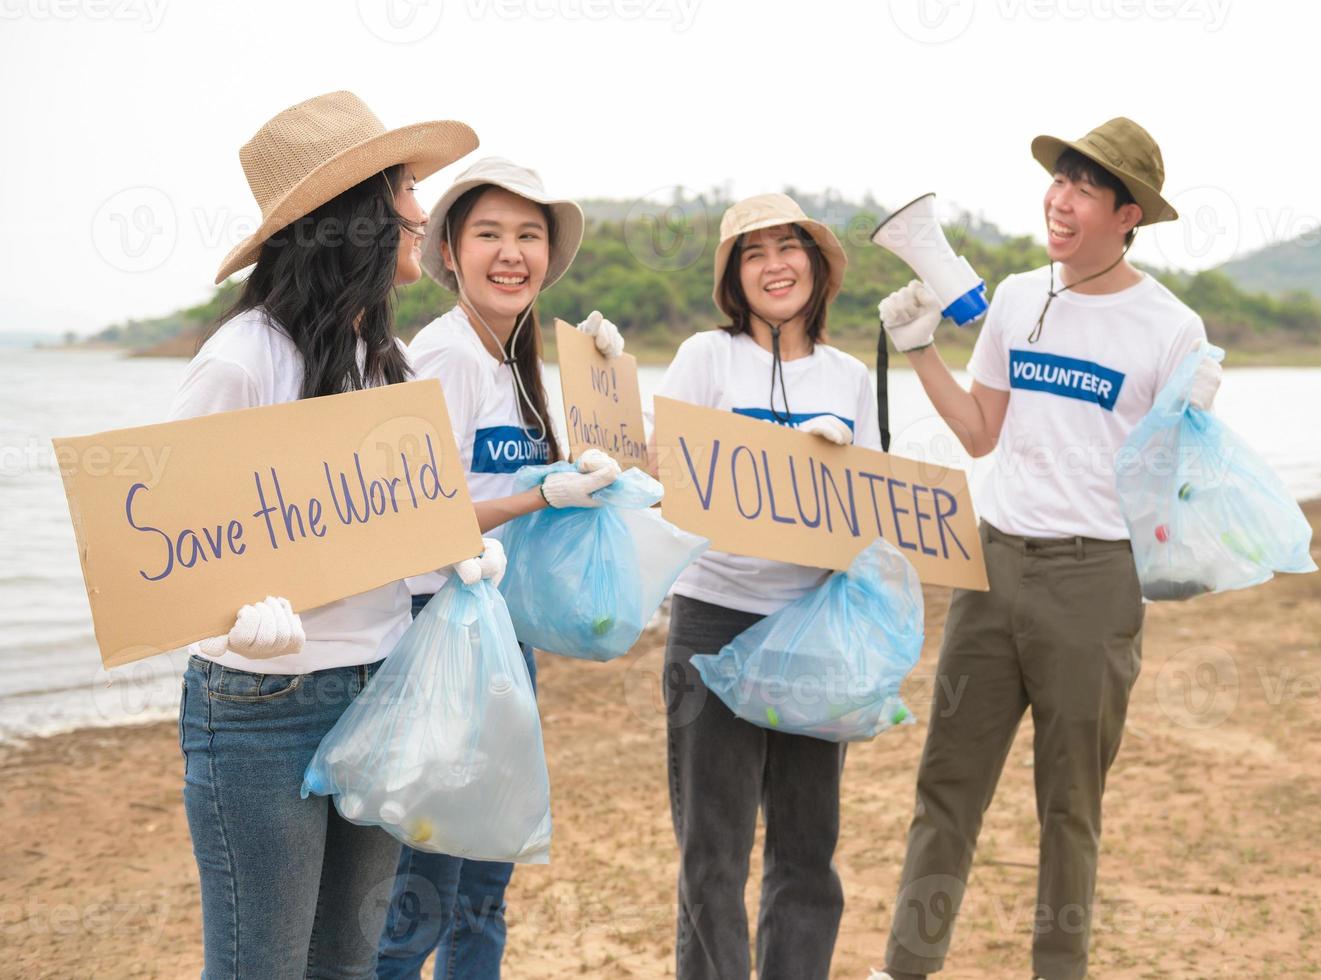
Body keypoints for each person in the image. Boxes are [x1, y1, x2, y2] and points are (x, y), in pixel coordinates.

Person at [867, 118, 1222, 980]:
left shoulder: (1170, 327)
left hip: (1095, 579)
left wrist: (1196, 419)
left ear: (1126, 213)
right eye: (1057, 182)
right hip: (990, 568)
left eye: (1083, 190)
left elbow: (1173, 483)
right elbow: (981, 434)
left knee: (1069, 805)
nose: (1059, 202)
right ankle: (903, 969)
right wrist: (919, 352)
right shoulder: (1020, 297)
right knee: (945, 787)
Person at [170, 90, 478, 978]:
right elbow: (171, 548)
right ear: (350, 220)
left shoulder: (386, 361)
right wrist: (227, 618)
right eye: (402, 192)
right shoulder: (242, 359)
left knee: (348, 962)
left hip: (379, 683)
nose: (421, 211)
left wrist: (452, 549)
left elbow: (396, 522)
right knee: (259, 966)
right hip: (261, 707)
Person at [375, 157, 624, 980]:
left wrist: (606, 388)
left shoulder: (518, 358)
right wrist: (536, 498)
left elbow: (593, 479)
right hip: (438, 637)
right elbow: (415, 517)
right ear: (447, 250)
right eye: (488, 234)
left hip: (503, 636)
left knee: (485, 883)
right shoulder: (441, 356)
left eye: (528, 236)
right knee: (423, 885)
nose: (510, 252)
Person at [651, 192, 881, 980]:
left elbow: (877, 515)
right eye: (753, 253)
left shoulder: (849, 376)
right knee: (712, 849)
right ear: (732, 277)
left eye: (789, 248)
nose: (773, 265)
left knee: (807, 845)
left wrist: (842, 460)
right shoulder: (705, 358)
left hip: (815, 626)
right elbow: (664, 478)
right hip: (714, 617)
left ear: (817, 266)